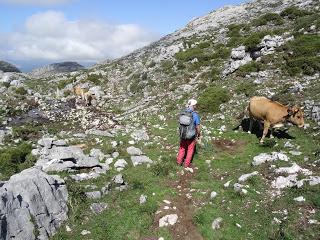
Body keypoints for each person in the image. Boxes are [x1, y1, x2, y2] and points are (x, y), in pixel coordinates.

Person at [176, 99, 201, 168]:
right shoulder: (195, 115)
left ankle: (179, 162)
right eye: (195, 105)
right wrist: (198, 134)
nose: (196, 106)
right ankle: (186, 165)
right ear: (193, 106)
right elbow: (198, 127)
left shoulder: (183, 112)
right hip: (191, 136)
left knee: (182, 148)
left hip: (183, 134)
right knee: (190, 150)